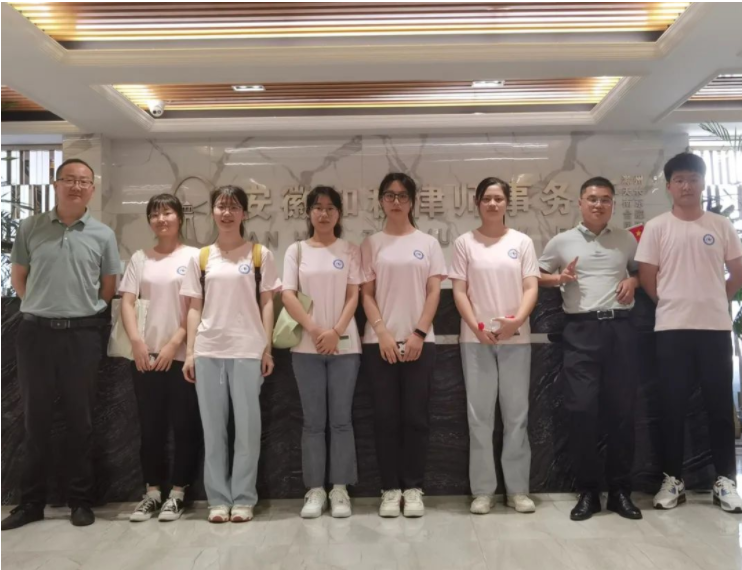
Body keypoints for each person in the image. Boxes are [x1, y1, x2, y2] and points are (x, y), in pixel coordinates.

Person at [2, 158, 120, 531]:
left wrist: (82, 311)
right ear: (56, 184)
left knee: (80, 420)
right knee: (34, 420)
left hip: (82, 336)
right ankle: (30, 503)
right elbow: (19, 278)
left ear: (92, 189)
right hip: (35, 334)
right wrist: (42, 306)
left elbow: (108, 286)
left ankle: (80, 501)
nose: (76, 186)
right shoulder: (30, 227)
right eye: (69, 179)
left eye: (83, 181)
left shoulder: (103, 234)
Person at [637, 153, 742, 512]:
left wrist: (715, 299)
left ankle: (725, 480)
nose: (687, 186)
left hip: (714, 329)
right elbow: (647, 277)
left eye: (693, 179)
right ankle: (673, 480)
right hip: (672, 329)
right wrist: (671, 302)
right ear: (669, 186)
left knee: (719, 407)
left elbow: (737, 272)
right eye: (679, 180)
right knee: (671, 407)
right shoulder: (657, 227)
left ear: (702, 183)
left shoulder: (720, 225)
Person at [538, 176, 642, 521]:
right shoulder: (562, 241)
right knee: (581, 411)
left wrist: (633, 280)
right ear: (580, 203)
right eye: (593, 199)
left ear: (612, 204)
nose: (599, 205)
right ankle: (588, 492)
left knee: (622, 414)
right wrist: (559, 279)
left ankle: (620, 492)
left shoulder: (626, 239)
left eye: (605, 199)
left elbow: (640, 272)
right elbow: (534, 276)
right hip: (580, 331)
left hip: (621, 330)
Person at [181, 185, 281, 523]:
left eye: (234, 207)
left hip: (248, 350)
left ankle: (244, 498)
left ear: (244, 213)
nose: (227, 213)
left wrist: (266, 348)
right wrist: (191, 352)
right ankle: (218, 500)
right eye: (221, 206)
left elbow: (267, 304)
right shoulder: (201, 257)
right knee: (213, 430)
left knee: (248, 430)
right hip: (208, 349)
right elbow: (194, 308)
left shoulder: (259, 255)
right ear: (212, 212)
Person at [450, 177, 539, 515]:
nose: (492, 204)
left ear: (507, 203)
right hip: (476, 340)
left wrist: (517, 321)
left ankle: (517, 490)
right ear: (477, 202)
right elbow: (459, 291)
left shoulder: (522, 242)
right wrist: (477, 326)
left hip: (516, 338)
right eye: (486, 198)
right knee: (479, 417)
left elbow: (531, 287)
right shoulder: (464, 243)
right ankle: (483, 491)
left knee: (516, 415)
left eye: (498, 198)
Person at [360, 172, 447, 518]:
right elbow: (366, 294)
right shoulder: (371, 244)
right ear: (381, 200)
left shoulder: (428, 243)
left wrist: (418, 334)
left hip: (420, 343)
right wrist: (382, 332)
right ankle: (389, 488)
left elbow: (434, 291)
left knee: (415, 419)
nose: (396, 201)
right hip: (378, 343)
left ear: (412, 201)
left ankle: (412, 487)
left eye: (402, 196)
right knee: (384, 419)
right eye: (389, 195)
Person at [119, 194, 203, 522]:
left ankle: (179, 493)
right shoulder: (140, 258)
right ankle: (152, 492)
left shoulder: (194, 256)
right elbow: (127, 302)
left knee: (185, 426)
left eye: (167, 212)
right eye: (155, 214)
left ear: (180, 217)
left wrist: (174, 344)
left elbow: (196, 306)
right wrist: (137, 343)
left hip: (181, 356)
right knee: (150, 427)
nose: (161, 219)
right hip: (145, 357)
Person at [282, 186, 362, 519]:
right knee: (313, 422)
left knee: (341, 420)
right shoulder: (297, 250)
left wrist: (335, 332)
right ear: (309, 213)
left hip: (345, 346)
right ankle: (315, 489)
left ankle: (340, 489)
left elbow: (353, 295)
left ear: (339, 213)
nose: (324, 213)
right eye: (318, 207)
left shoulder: (349, 249)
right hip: (306, 346)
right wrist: (316, 330)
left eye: (330, 208)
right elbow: (287, 294)